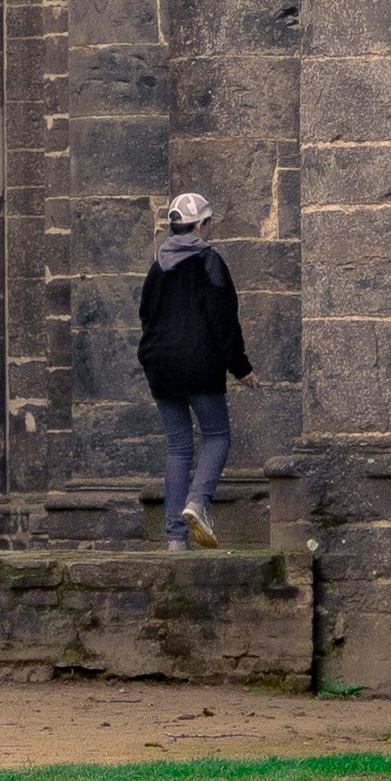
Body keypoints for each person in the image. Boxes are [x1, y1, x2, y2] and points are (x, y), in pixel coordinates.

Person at [136, 191, 250, 550]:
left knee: (178, 447)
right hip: (199, 364)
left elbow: (146, 316)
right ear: (200, 225)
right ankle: (198, 502)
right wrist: (241, 368)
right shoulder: (209, 261)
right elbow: (224, 321)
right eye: (209, 223)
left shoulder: (158, 267)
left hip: (160, 367)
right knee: (217, 436)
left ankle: (174, 540)